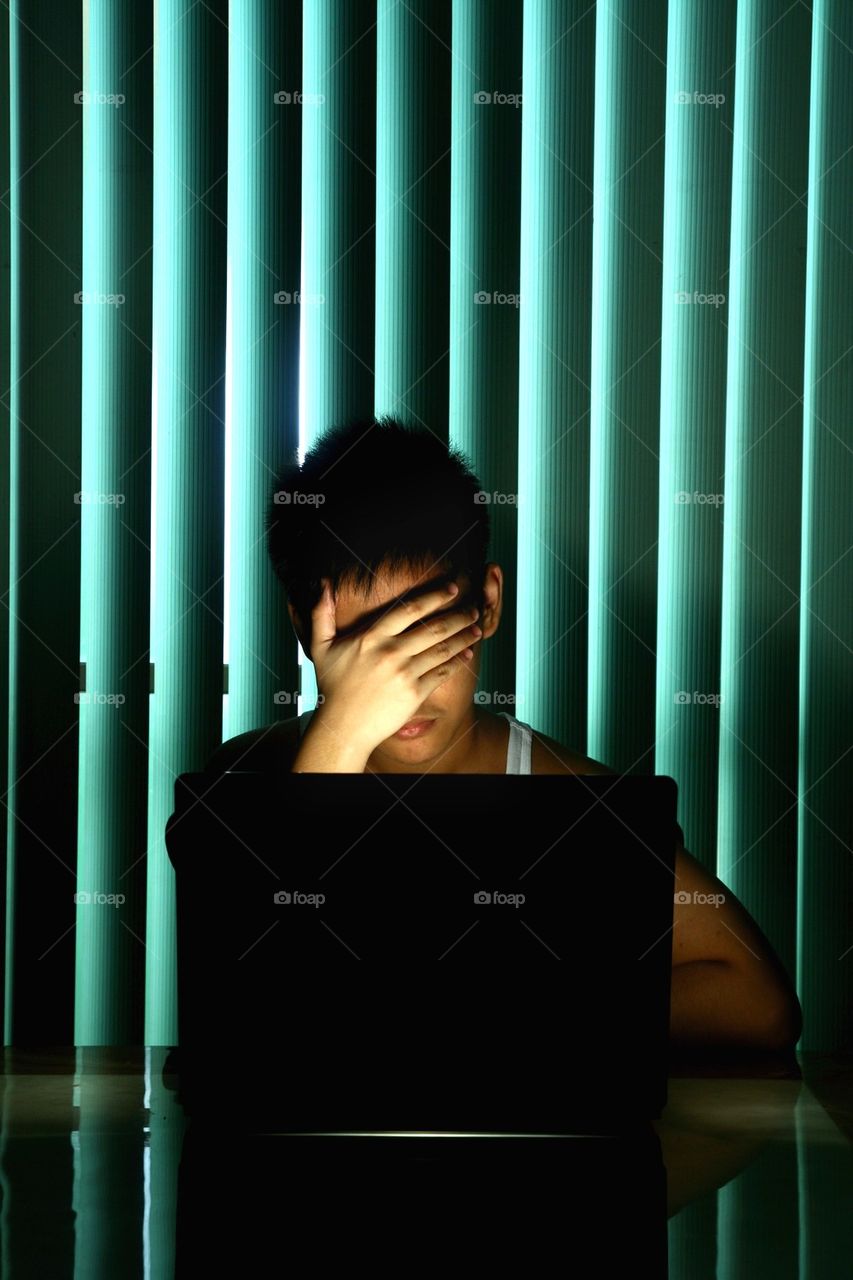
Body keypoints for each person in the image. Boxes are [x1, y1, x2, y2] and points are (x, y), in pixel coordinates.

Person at [206, 415, 802, 1053]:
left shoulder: (579, 805)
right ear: (306, 629)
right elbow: (265, 1014)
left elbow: (758, 1005)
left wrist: (488, 1022)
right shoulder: (238, 781)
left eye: (428, 639)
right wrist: (338, 740)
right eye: (365, 648)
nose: (403, 689)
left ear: (486, 605)